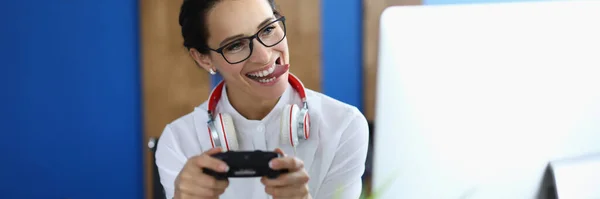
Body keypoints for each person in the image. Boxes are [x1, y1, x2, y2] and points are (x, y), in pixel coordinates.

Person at [154, 0, 369, 198]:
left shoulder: (344, 126)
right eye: (235, 45)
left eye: (267, 29)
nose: (264, 56)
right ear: (203, 58)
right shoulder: (178, 142)